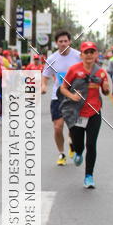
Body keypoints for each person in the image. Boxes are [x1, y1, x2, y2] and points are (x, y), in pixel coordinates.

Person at [59, 41, 110, 189]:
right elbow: (63, 88)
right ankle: (78, 153)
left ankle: (89, 176)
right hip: (76, 113)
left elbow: (106, 92)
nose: (89, 55)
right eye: (86, 52)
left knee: (91, 144)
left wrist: (106, 89)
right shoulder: (74, 70)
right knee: (79, 145)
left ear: (96, 55)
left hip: (94, 112)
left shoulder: (100, 72)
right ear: (81, 55)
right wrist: (72, 96)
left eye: (91, 52)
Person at [41, 29, 80, 166]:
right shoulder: (52, 59)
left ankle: (72, 144)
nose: (63, 44)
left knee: (73, 127)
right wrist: (44, 86)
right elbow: (45, 76)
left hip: (74, 96)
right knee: (58, 127)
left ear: (69, 42)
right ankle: (61, 153)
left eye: (65, 41)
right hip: (57, 96)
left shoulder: (78, 56)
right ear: (56, 43)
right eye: (60, 41)